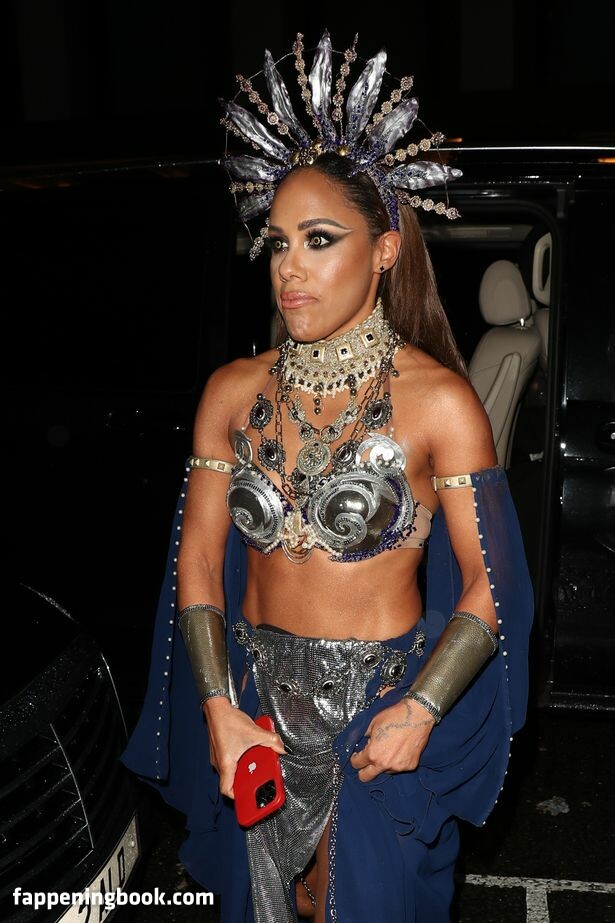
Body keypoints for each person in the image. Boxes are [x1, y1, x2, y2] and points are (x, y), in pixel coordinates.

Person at [121, 31, 534, 923]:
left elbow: (491, 583)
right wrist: (217, 706)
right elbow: (198, 559)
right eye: (277, 242)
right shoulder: (232, 392)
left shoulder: (440, 403)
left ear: (383, 250)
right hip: (252, 704)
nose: (289, 267)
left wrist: (422, 707)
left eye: (318, 239)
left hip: (375, 712)